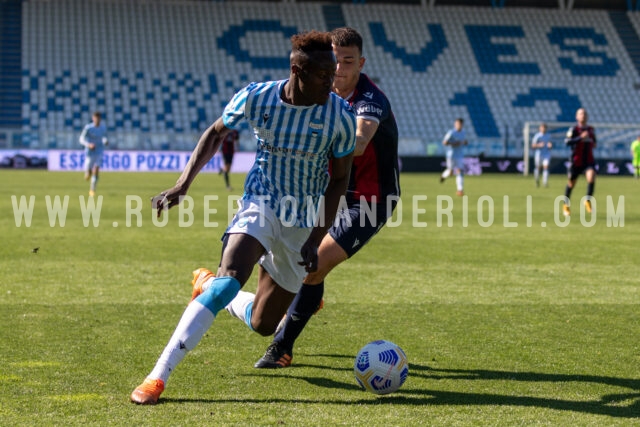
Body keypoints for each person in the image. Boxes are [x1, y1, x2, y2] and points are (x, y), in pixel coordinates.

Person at [130, 30, 356, 405]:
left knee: (264, 325)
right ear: (297, 69)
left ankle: (205, 283)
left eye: (333, 74)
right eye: (323, 76)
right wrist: (183, 184)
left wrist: (316, 238)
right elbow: (216, 132)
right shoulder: (258, 96)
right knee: (230, 281)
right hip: (260, 202)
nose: (331, 83)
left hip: (300, 225)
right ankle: (157, 377)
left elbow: (341, 179)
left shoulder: (339, 115)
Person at [240, 26, 399, 368]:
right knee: (286, 264)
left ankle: (281, 347)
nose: (340, 68)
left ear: (361, 63)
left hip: (368, 201)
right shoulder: (319, 97)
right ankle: (306, 298)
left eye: (348, 61)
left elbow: (358, 142)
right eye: (335, 60)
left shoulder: (370, 100)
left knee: (312, 266)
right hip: (324, 194)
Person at [562, 107, 596, 216]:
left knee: (591, 177)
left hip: (588, 160)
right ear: (577, 117)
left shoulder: (591, 130)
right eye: (581, 114)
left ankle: (588, 200)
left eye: (585, 114)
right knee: (571, 183)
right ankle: (566, 204)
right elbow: (567, 142)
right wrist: (580, 138)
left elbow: (594, 142)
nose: (583, 115)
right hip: (576, 161)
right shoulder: (574, 130)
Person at [79, 112, 108, 196]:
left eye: (99, 118)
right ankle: (88, 172)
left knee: (97, 169)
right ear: (93, 118)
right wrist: (88, 145)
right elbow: (81, 139)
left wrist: (105, 141)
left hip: (99, 150)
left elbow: (104, 137)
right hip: (90, 152)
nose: (97, 120)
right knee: (89, 172)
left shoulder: (103, 128)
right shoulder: (88, 128)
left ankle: (92, 189)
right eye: (96, 118)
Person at [440, 118, 467, 196]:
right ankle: (443, 176)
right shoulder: (451, 132)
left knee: (460, 171)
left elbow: (463, 141)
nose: (458, 125)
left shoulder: (463, 133)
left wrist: (465, 142)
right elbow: (444, 142)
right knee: (450, 172)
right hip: (451, 155)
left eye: (460, 124)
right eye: (457, 123)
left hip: (459, 155)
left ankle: (460, 190)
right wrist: (454, 143)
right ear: (455, 124)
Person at [531, 123, 552, 188]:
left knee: (546, 167)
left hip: (546, 154)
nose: (544, 129)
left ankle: (545, 182)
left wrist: (550, 145)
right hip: (539, 154)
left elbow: (551, 144)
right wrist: (539, 145)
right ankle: (537, 181)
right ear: (540, 128)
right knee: (538, 168)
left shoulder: (548, 136)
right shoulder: (537, 136)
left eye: (545, 127)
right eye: (542, 127)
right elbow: (533, 145)